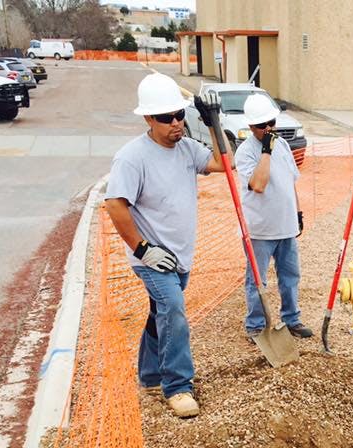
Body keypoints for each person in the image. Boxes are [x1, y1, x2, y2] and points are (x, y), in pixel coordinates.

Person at [104, 73, 224, 418]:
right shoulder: (132, 158)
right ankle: (178, 385)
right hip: (152, 257)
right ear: (148, 119)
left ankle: (150, 374)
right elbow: (116, 205)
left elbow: (222, 163)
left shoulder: (187, 149)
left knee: (161, 314)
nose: (176, 123)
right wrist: (143, 249)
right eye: (165, 117)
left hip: (180, 253)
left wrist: (213, 123)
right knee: (173, 308)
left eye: (180, 115)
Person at [234, 93, 313, 341]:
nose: (269, 129)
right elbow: (258, 184)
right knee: (257, 280)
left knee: (290, 276)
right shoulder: (245, 153)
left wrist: (297, 213)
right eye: (262, 126)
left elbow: (290, 182)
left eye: (272, 123)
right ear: (250, 126)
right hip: (259, 230)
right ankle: (255, 325)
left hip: (285, 225)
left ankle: (292, 319)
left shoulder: (284, 145)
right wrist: (266, 152)